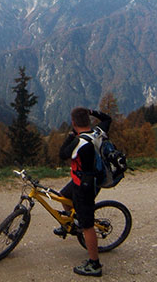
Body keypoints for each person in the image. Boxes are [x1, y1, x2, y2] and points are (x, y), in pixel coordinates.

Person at [56, 107, 112, 277]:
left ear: (74, 123)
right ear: (89, 120)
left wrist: (70, 136)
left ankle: (95, 264)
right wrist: (92, 111)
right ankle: (72, 224)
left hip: (85, 186)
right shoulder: (98, 132)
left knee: (87, 226)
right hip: (86, 181)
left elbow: (62, 154)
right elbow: (107, 118)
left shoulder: (79, 142)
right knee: (63, 196)